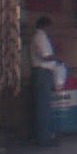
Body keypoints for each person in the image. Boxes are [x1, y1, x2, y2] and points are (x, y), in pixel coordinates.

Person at [30, 16, 60, 147]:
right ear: (45, 26)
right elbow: (46, 56)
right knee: (43, 106)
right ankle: (44, 138)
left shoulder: (38, 37)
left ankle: (45, 136)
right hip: (42, 72)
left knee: (43, 105)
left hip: (42, 73)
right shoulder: (40, 37)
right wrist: (57, 56)